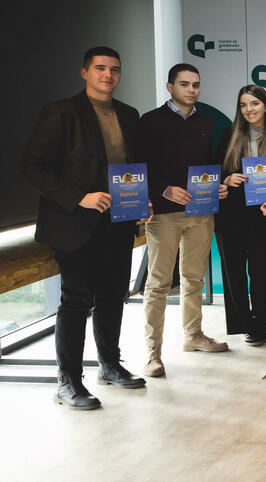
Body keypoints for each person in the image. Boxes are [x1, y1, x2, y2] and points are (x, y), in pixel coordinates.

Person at [22, 46, 148, 409]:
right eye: (100, 68)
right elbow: (32, 167)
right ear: (84, 72)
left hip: (118, 221)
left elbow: (132, 166)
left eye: (114, 69)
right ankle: (68, 382)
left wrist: (142, 201)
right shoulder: (60, 112)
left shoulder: (129, 114)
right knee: (76, 301)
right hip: (74, 224)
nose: (108, 75)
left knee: (113, 296)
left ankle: (110, 365)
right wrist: (80, 197)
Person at [138, 63, 229, 379]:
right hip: (164, 215)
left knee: (194, 278)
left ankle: (193, 335)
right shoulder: (150, 121)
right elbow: (138, 167)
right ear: (170, 87)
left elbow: (208, 164)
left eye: (196, 85)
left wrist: (217, 185)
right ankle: (153, 353)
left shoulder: (206, 122)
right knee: (158, 283)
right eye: (184, 84)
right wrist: (163, 189)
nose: (191, 90)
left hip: (201, 212)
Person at [215, 85, 266, 346]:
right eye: (243, 105)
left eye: (254, 103)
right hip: (232, 215)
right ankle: (245, 324)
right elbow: (216, 172)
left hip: (264, 215)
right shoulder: (229, 134)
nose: (249, 109)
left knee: (263, 274)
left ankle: (261, 323)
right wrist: (226, 179)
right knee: (234, 273)